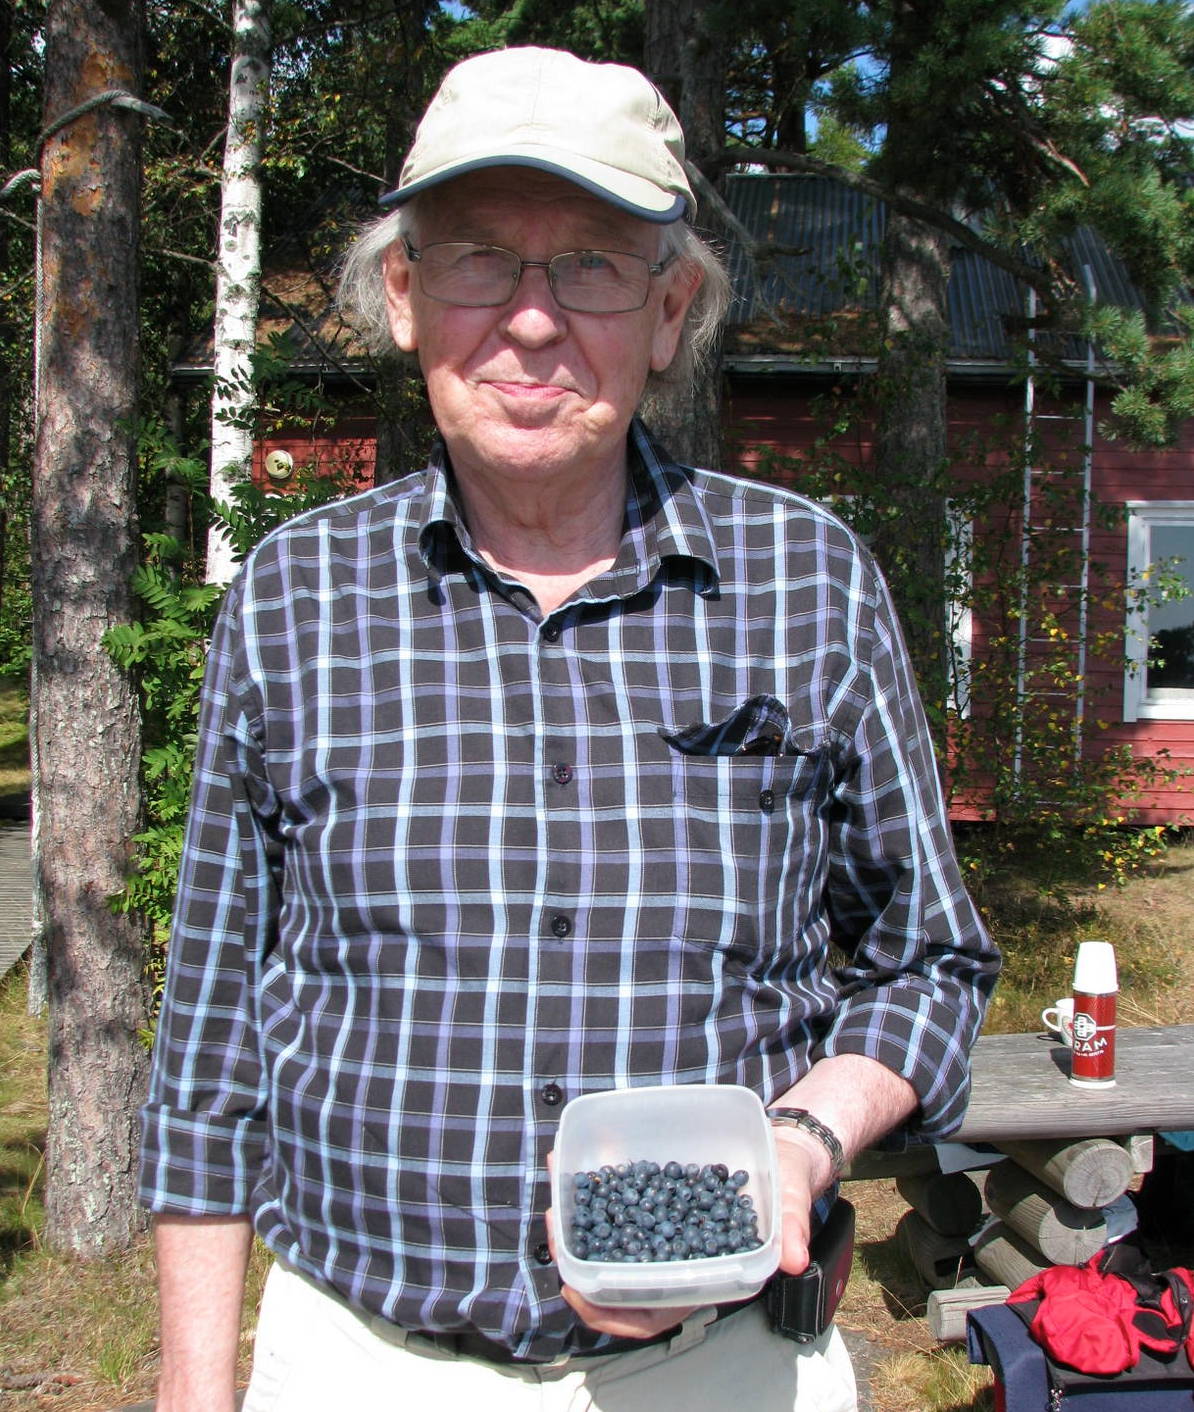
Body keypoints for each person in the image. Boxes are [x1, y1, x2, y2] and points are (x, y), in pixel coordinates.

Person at [139, 45, 999, 1412]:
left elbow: (931, 961)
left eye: (591, 265)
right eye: (479, 259)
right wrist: (195, 1394)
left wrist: (800, 1140)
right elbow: (211, 1035)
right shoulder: (295, 596)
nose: (532, 321)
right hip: (358, 1370)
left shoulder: (808, 582)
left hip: (722, 1371)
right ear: (404, 296)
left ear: (670, 311)